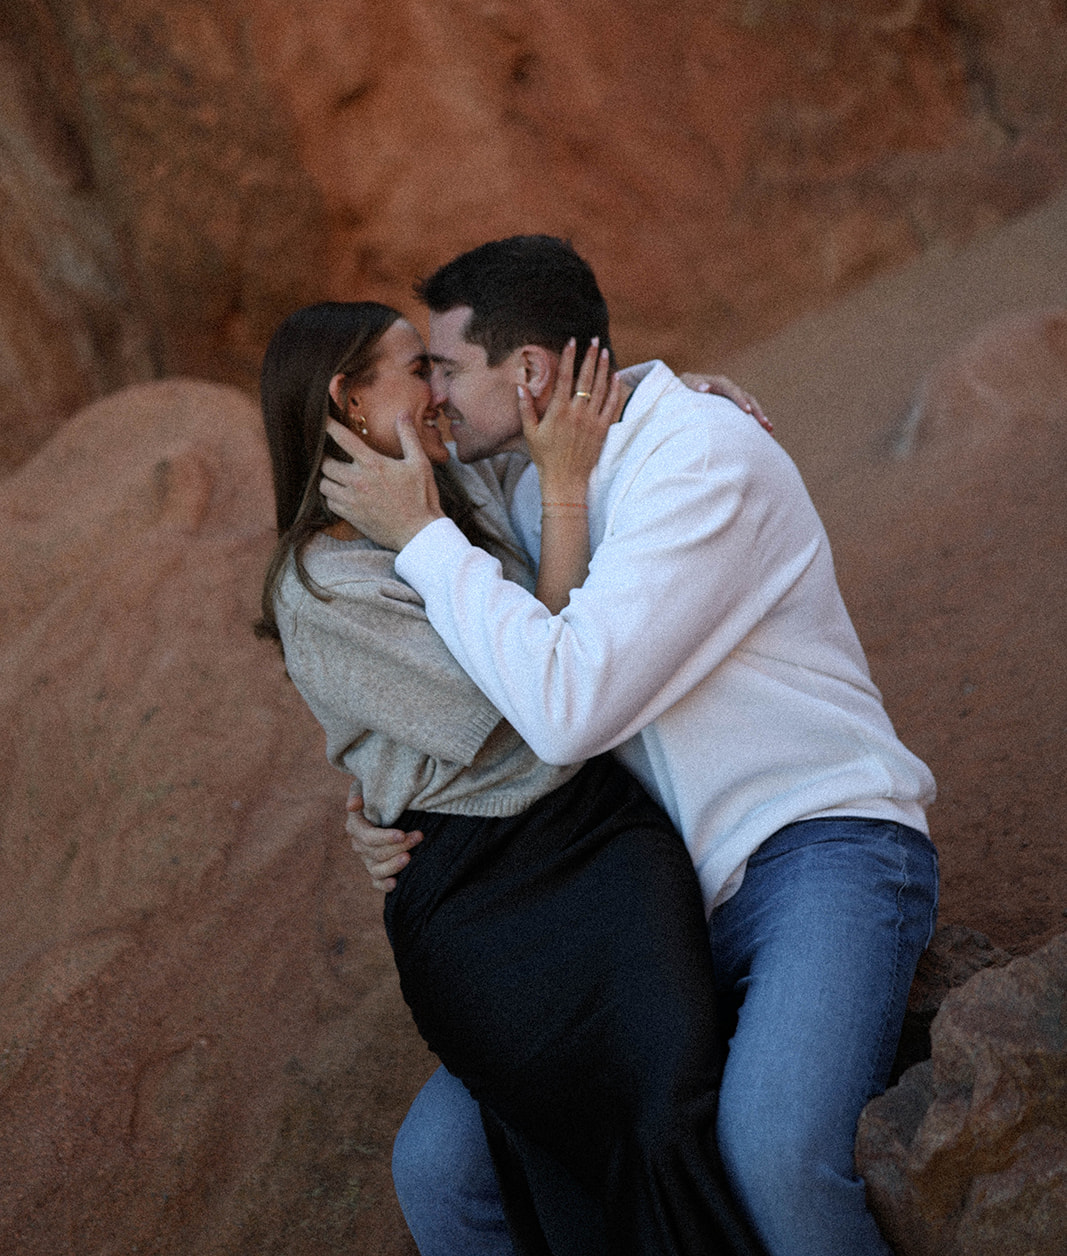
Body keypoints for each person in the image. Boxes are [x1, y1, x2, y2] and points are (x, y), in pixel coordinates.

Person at [323, 235, 939, 1256]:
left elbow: (568, 708)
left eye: (443, 368)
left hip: (815, 852)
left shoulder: (698, 454)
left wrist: (419, 540)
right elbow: (487, 692)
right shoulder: (527, 492)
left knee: (774, 1151)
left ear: (526, 372)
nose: (429, 393)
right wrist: (379, 810)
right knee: (439, 1170)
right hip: (641, 906)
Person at [258, 300, 765, 1256]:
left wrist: (680, 396)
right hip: (484, 903)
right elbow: (533, 699)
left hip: (604, 842)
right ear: (348, 399)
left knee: (674, 1101)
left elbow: (568, 416)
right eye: (417, 371)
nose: (440, 393)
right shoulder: (323, 589)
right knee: (573, 1161)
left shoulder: (457, 485)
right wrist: (561, 503)